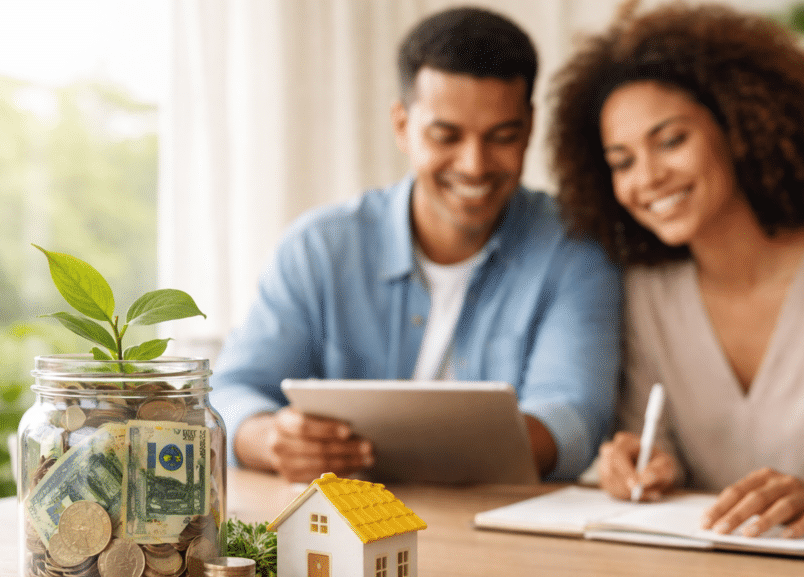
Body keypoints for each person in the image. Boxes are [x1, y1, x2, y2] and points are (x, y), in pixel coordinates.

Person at [549, 2, 804, 537]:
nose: (648, 178)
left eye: (671, 140)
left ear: (738, 129)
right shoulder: (647, 293)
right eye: (622, 162)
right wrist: (643, 464)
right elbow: (657, 442)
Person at [211, 7, 622, 484]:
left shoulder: (574, 248)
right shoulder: (320, 248)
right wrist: (272, 439)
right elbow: (231, 391)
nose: (474, 165)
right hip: (342, 529)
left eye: (502, 137)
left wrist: (386, 452)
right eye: (446, 136)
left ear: (529, 127)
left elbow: (574, 419)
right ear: (402, 124)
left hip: (496, 530)